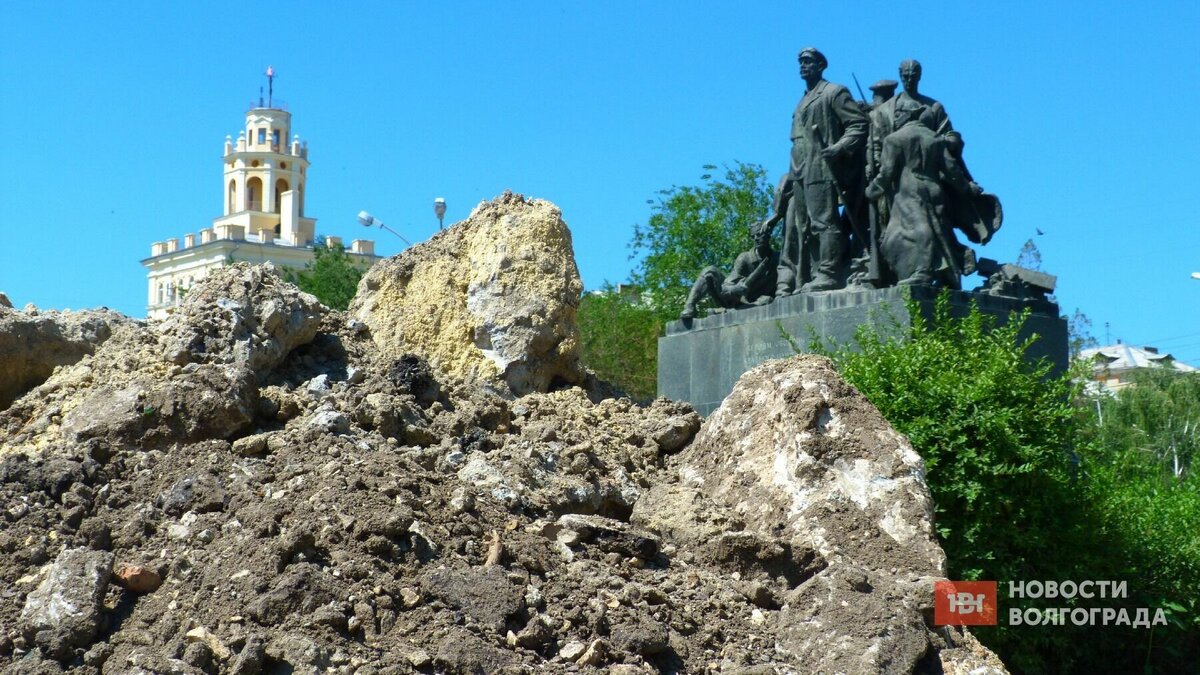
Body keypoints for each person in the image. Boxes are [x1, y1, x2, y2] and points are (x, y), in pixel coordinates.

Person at [767, 47, 868, 294]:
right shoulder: (802, 99)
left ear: (821, 65)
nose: (803, 65)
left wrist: (838, 148)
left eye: (808, 61)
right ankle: (814, 272)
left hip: (822, 166)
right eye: (800, 61)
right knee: (805, 226)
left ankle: (830, 273)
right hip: (799, 169)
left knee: (824, 221)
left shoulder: (834, 92)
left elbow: (858, 124)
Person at [865, 102, 982, 288]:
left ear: (907, 116)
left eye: (899, 115)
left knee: (910, 233)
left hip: (909, 190)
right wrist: (967, 187)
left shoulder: (894, 139)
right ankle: (948, 271)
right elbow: (951, 169)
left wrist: (872, 190)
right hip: (934, 188)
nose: (896, 118)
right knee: (938, 231)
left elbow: (887, 173)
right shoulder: (934, 138)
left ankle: (922, 271)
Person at [680, 220, 778, 320]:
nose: (756, 238)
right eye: (753, 236)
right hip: (736, 301)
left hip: (763, 302)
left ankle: (729, 311)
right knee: (710, 271)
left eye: (760, 234)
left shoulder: (777, 258)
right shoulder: (744, 258)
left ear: (768, 234)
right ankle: (689, 306)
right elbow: (726, 288)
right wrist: (736, 289)